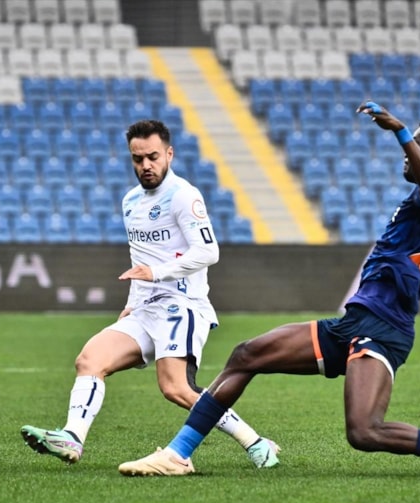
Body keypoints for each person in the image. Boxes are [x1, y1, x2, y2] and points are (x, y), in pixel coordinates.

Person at [118, 103, 420, 478]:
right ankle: (178, 455)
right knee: (247, 354)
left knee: (364, 431)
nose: (409, 155)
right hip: (356, 322)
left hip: (384, 329)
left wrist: (401, 131)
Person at [21, 119, 280, 469]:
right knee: (90, 360)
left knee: (176, 388)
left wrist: (157, 273)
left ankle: (255, 442)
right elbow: (140, 259)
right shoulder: (130, 201)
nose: (145, 165)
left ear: (169, 154)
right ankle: (72, 437)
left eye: (153, 157)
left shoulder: (183, 195)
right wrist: (131, 303)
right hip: (145, 308)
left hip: (182, 306)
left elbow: (208, 252)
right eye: (137, 158)